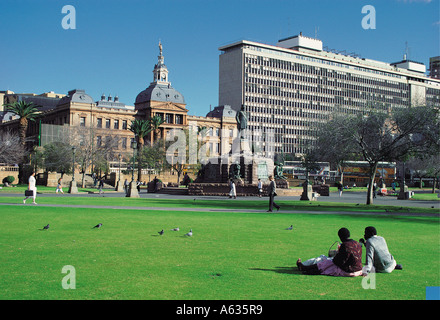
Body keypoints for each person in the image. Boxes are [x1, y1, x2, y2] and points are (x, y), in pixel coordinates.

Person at [296, 228, 363, 277]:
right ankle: (305, 267)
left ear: (340, 237)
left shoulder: (345, 245)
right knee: (327, 263)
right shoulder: (356, 243)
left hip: (349, 270)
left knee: (326, 264)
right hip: (358, 269)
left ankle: (304, 268)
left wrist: (335, 256)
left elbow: (339, 261)